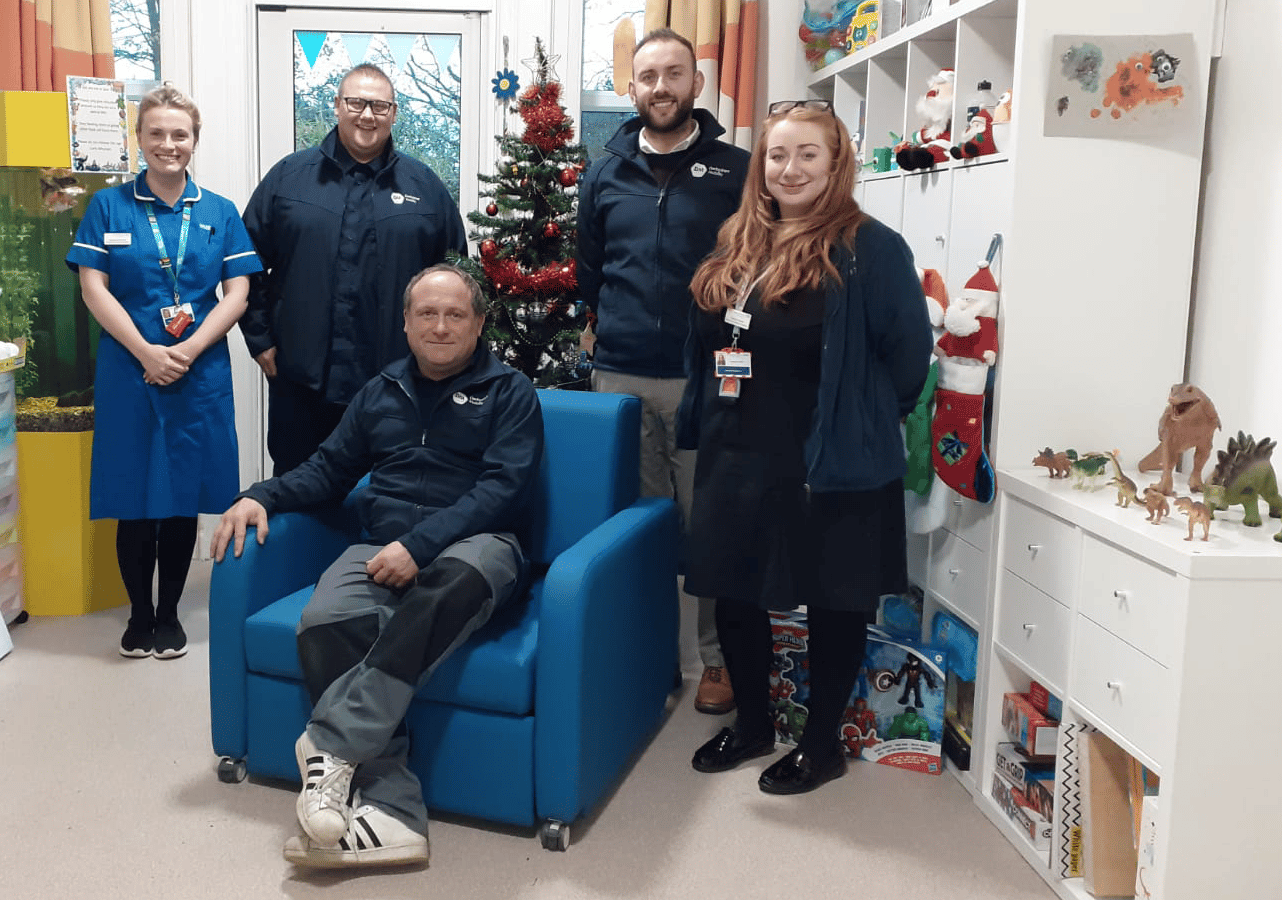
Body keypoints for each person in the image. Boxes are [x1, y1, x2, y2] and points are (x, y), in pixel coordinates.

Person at [212, 264, 544, 869]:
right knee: (324, 617)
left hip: (480, 545)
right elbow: (328, 468)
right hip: (380, 546)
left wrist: (420, 546)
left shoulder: (510, 391)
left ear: (477, 323)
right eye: (427, 314)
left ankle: (332, 742)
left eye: (455, 315)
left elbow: (504, 489)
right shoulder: (381, 389)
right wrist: (261, 493)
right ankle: (393, 814)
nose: (440, 327)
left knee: (450, 582)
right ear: (406, 322)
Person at [679, 100, 931, 794]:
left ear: (835, 163)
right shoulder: (740, 238)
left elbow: (909, 359)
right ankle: (755, 723)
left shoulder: (871, 248)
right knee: (734, 591)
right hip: (737, 451)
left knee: (833, 599)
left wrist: (862, 418)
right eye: (777, 155)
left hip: (827, 461)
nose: (789, 169)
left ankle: (822, 745)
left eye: (807, 155)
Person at [576, 28, 750, 715]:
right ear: (631, 87)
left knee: (708, 524)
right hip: (618, 377)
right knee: (637, 524)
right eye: (647, 76)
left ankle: (716, 659)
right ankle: (647, 652)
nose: (660, 87)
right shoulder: (604, 171)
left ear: (695, 85)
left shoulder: (736, 169)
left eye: (673, 74)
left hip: (703, 377)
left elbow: (752, 268)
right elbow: (591, 269)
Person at [67, 85, 263, 660]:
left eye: (180, 134)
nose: (168, 144)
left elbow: (238, 292)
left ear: (194, 141)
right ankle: (139, 615)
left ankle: (172, 613)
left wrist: (188, 350)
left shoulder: (219, 212)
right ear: (140, 139)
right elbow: (92, 286)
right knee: (133, 493)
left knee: (181, 494)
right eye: (156, 133)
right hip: (129, 370)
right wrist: (148, 352)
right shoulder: (109, 206)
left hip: (197, 375)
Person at [241, 63, 467, 476]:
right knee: (298, 496)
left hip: (399, 386)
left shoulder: (425, 188)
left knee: (392, 498)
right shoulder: (289, 179)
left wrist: (441, 353)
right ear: (337, 106)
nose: (367, 115)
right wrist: (260, 340)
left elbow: (456, 278)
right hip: (303, 383)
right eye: (356, 103)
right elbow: (244, 263)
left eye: (379, 106)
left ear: (394, 113)